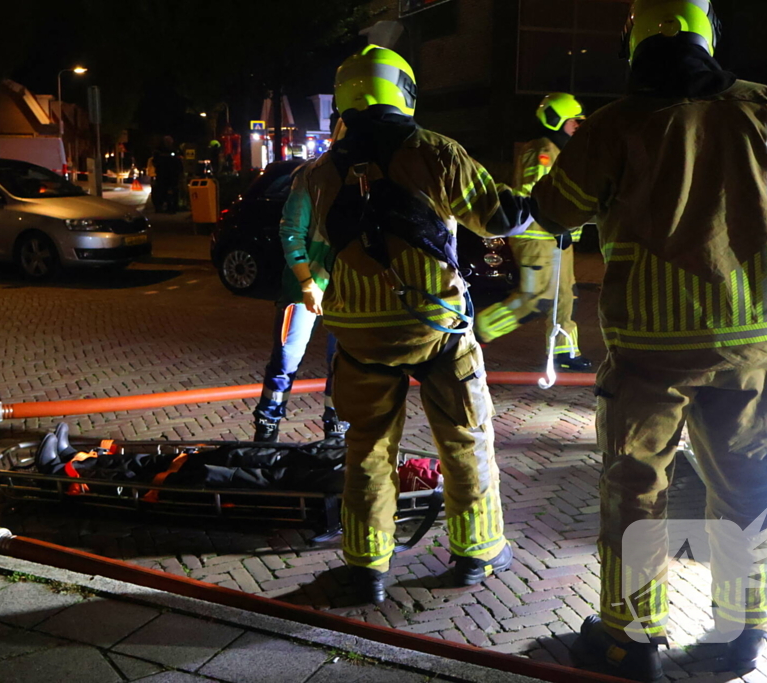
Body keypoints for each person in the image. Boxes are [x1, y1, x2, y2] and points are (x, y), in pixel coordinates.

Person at [528, 1, 767, 680]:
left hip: (651, 346)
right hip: (754, 341)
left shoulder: (613, 126)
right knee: (744, 485)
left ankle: (631, 638)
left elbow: (555, 210)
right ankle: (741, 631)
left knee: (636, 487)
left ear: (635, 40)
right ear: (709, 33)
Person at [299, 46, 538, 604]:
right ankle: (477, 553)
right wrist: (548, 210)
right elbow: (497, 216)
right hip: (435, 326)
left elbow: (314, 245)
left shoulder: (318, 171)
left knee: (366, 448)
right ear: (402, 92)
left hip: (357, 334)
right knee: (465, 437)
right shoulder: (435, 152)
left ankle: (366, 567)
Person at [475, 94, 592, 372]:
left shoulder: (561, 151)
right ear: (556, 120)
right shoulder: (543, 149)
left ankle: (565, 351)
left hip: (557, 237)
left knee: (565, 297)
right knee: (536, 298)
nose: (578, 127)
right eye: (573, 121)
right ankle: (478, 332)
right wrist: (556, 222)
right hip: (538, 238)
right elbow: (534, 193)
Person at [252, 164, 349, 443]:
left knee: (342, 363)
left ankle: (337, 425)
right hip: (305, 287)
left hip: (346, 287)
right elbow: (292, 231)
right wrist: (307, 283)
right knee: (286, 358)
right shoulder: (311, 175)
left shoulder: (367, 172)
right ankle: (267, 423)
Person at [151, 136, 183, 213]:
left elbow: (179, 160)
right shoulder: (159, 151)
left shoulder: (175, 150)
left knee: (173, 190)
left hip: (172, 174)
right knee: (162, 190)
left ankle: (172, 206)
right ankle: (161, 206)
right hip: (163, 174)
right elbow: (155, 161)